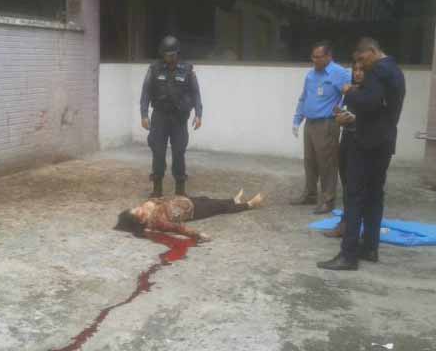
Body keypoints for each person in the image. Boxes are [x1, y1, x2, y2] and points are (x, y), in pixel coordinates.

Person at [318, 38, 406, 270]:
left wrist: (349, 92)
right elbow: (382, 108)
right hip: (385, 141)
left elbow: (369, 102)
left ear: (373, 51)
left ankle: (348, 255)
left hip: (366, 143)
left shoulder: (378, 70)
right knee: (375, 195)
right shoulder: (396, 71)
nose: (361, 65)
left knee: (354, 196)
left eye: (362, 59)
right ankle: (369, 247)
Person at [291, 41, 352, 214]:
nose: (315, 60)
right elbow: (304, 98)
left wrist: (342, 108)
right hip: (310, 123)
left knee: (327, 163)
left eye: (319, 57)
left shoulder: (338, 73)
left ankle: (328, 199)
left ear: (328, 57)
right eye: (313, 57)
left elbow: (351, 92)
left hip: (327, 123)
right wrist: (297, 120)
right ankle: (310, 194)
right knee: (310, 161)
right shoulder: (311, 75)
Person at [140, 35, 203, 198]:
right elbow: (145, 92)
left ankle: (180, 190)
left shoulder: (187, 70)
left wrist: (198, 114)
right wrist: (144, 114)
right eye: (167, 55)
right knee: (158, 152)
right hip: (159, 117)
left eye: (173, 54)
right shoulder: (154, 69)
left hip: (179, 119)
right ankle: (157, 190)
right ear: (163, 54)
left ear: (177, 53)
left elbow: (195, 93)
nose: (170, 58)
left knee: (179, 152)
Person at [114, 190, 266, 242]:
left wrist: (151, 203)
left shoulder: (147, 209)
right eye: (137, 211)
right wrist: (198, 234)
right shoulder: (156, 221)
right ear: (140, 220)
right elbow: (177, 228)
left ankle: (233, 201)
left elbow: (161, 200)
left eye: (135, 208)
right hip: (194, 210)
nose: (139, 207)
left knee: (208, 199)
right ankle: (249, 205)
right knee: (218, 208)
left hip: (186, 201)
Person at [324, 60, 365, 238]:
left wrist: (355, 119)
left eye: (362, 70)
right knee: (347, 183)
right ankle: (346, 221)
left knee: (356, 186)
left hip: (362, 142)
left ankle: (350, 224)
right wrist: (340, 115)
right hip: (347, 138)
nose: (357, 73)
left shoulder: (371, 93)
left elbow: (374, 119)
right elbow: (347, 111)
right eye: (355, 69)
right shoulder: (350, 92)